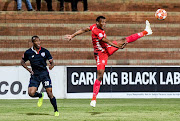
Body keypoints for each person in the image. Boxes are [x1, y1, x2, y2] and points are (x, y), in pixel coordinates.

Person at [65, 16, 153, 107]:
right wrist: (118, 47)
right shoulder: (96, 31)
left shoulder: (93, 27)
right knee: (100, 75)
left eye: (105, 22)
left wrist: (73, 35)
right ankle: (94, 99)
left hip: (107, 49)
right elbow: (106, 40)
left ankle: (146, 32)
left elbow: (84, 29)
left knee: (124, 40)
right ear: (97, 22)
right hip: (101, 55)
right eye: (102, 22)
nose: (104, 24)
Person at [21, 36, 59, 116]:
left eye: (39, 41)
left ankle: (56, 110)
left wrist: (51, 65)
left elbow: (52, 62)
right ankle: (40, 95)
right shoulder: (28, 52)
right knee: (31, 93)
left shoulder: (45, 51)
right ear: (33, 42)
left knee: (49, 93)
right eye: (36, 41)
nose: (38, 43)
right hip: (35, 75)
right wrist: (29, 70)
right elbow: (22, 62)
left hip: (44, 74)